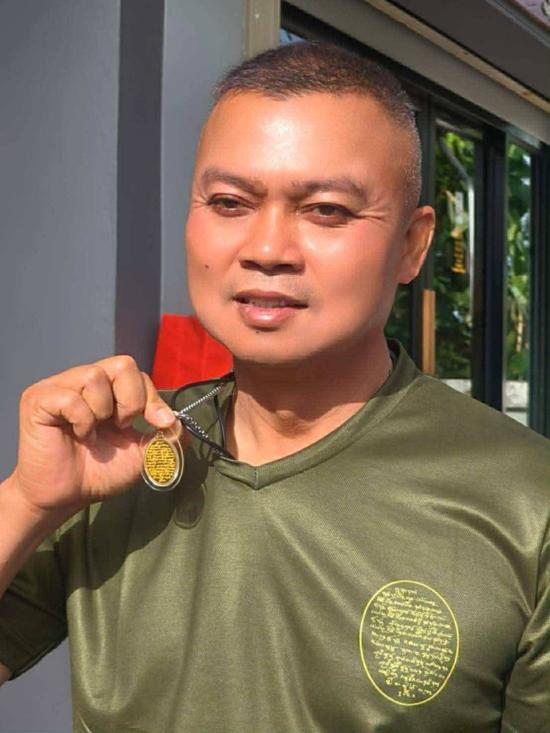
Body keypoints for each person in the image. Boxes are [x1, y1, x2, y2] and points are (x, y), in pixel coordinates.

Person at [0, 41, 548, 733]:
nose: (266, 249)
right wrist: (27, 500)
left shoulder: (525, 503)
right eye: (230, 202)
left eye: (325, 210)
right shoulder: (116, 459)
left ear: (413, 244)